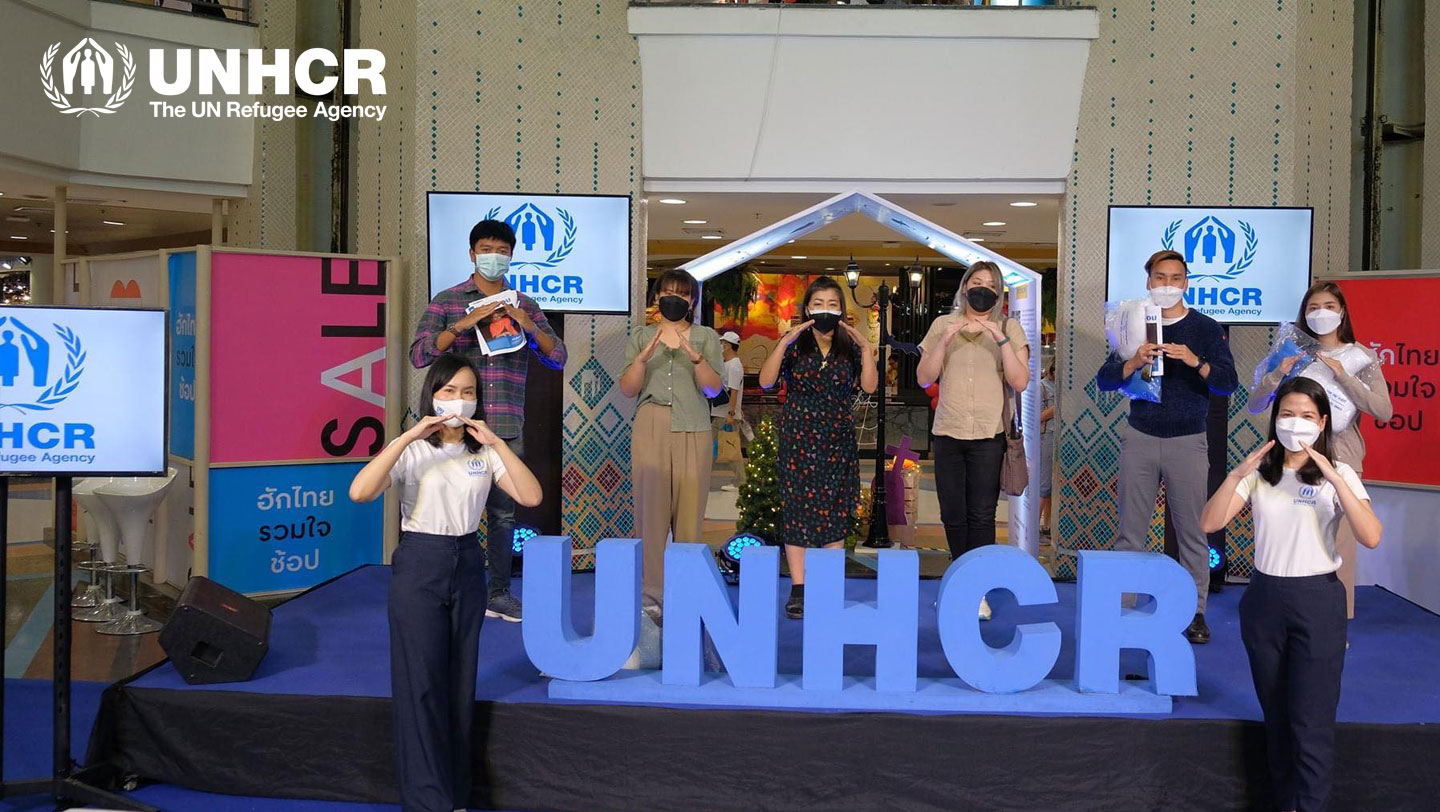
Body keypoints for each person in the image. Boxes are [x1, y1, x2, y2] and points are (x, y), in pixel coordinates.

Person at [348, 354, 543, 812]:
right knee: (421, 683)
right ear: (432, 395)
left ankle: (455, 793)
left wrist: (496, 441)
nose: (459, 401)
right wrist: (408, 436)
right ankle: (426, 799)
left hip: (468, 561)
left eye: (469, 392)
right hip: (421, 561)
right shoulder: (413, 449)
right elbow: (360, 492)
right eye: (449, 391)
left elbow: (531, 495)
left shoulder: (484, 452)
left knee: (458, 682)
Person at [1200, 377, 1381, 812]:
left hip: (1317, 600)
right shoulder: (1261, 472)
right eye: (1286, 414)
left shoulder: (1341, 476)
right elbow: (1209, 523)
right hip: (1264, 599)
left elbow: (1371, 535)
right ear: (1275, 419)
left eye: (1305, 416)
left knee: (1310, 721)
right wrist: (1238, 474)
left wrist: (1337, 480)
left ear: (1322, 422)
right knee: (1277, 719)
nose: (1294, 424)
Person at [410, 219, 567, 623]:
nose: (493, 256)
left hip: (505, 425)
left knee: (502, 515)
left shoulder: (525, 303)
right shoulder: (447, 300)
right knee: (443, 505)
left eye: (501, 250)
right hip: (449, 427)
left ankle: (498, 593)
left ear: (511, 256)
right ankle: (444, 586)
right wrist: (462, 324)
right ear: (471, 253)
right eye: (485, 248)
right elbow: (419, 355)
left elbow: (557, 356)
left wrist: (527, 324)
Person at [1097, 249, 1238, 644]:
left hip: (1188, 440)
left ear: (1186, 283)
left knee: (1191, 532)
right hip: (1140, 436)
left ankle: (1194, 613)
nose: (1167, 285)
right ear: (1148, 282)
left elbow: (1227, 383)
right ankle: (1123, 610)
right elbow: (1106, 380)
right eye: (1160, 277)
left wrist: (1196, 361)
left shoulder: (1206, 329)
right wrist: (1132, 361)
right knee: (1130, 531)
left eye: (1176, 278)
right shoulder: (1132, 324)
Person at [1252, 281, 1391, 620]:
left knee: (1339, 542)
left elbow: (1383, 410)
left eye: (1329, 306)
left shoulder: (1362, 357)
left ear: (1342, 312)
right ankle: (1283, 615)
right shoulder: (1291, 352)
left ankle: (1335, 623)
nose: (1321, 313)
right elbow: (1255, 404)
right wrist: (1275, 377)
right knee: (1288, 535)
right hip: (1289, 459)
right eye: (1313, 307)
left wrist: (1344, 376)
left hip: (1341, 458)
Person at [759, 277, 878, 619]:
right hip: (798, 438)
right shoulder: (796, 345)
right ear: (807, 309)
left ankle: (826, 585)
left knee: (835, 511)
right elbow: (767, 381)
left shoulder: (849, 347)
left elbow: (869, 387)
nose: (825, 309)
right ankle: (799, 587)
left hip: (837, 440)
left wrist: (867, 349)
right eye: (818, 303)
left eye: (832, 303)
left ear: (842, 309)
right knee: (797, 510)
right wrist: (784, 342)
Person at [917, 261, 1030, 620]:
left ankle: (976, 589)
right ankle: (958, 580)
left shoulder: (1009, 327)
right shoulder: (941, 325)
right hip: (948, 432)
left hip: (988, 435)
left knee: (981, 514)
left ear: (999, 293)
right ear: (965, 287)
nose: (983, 289)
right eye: (976, 282)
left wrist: (1001, 340)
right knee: (952, 513)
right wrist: (945, 341)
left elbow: (1021, 380)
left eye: (991, 285)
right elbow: (923, 377)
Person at [619, 269, 724, 621]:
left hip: (694, 426)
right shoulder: (641, 336)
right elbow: (629, 389)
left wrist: (696, 358)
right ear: (656, 297)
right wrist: (642, 359)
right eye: (667, 291)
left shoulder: (707, 337)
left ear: (693, 300)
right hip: (651, 424)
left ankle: (687, 593)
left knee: (690, 514)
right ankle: (651, 596)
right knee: (650, 513)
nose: (674, 298)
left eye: (682, 293)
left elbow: (712, 390)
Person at [714, 331, 748, 492]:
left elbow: (734, 391)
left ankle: (740, 481)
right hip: (720, 412)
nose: (721, 346)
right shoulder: (726, 363)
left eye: (723, 343)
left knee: (731, 449)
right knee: (727, 447)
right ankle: (739, 480)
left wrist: (731, 414)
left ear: (727, 345)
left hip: (725, 415)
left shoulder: (735, 365)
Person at [1039, 357, 1057, 536]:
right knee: (1044, 485)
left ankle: (1048, 525)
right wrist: (1057, 407)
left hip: (1057, 437)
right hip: (1046, 437)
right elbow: (1036, 416)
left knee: (1050, 486)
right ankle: (1033, 524)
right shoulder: (1042, 387)